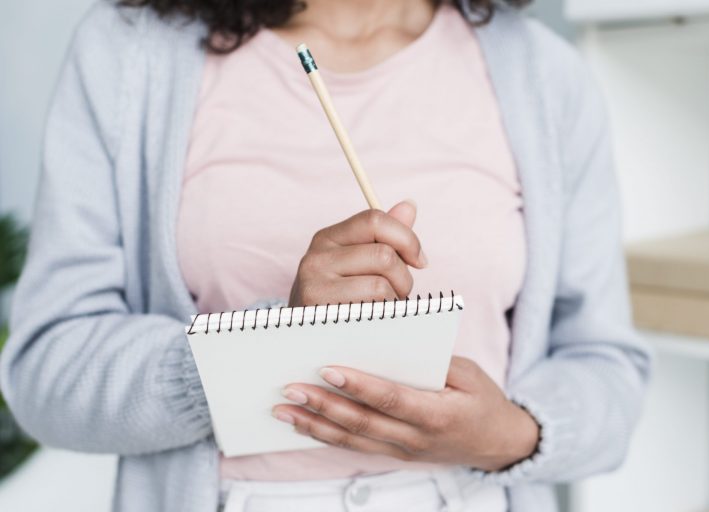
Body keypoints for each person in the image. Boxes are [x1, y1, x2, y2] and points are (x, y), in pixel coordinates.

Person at [0, 0, 651, 511]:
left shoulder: (547, 75)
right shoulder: (129, 51)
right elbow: (44, 371)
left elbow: (609, 371)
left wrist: (508, 435)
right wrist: (260, 346)